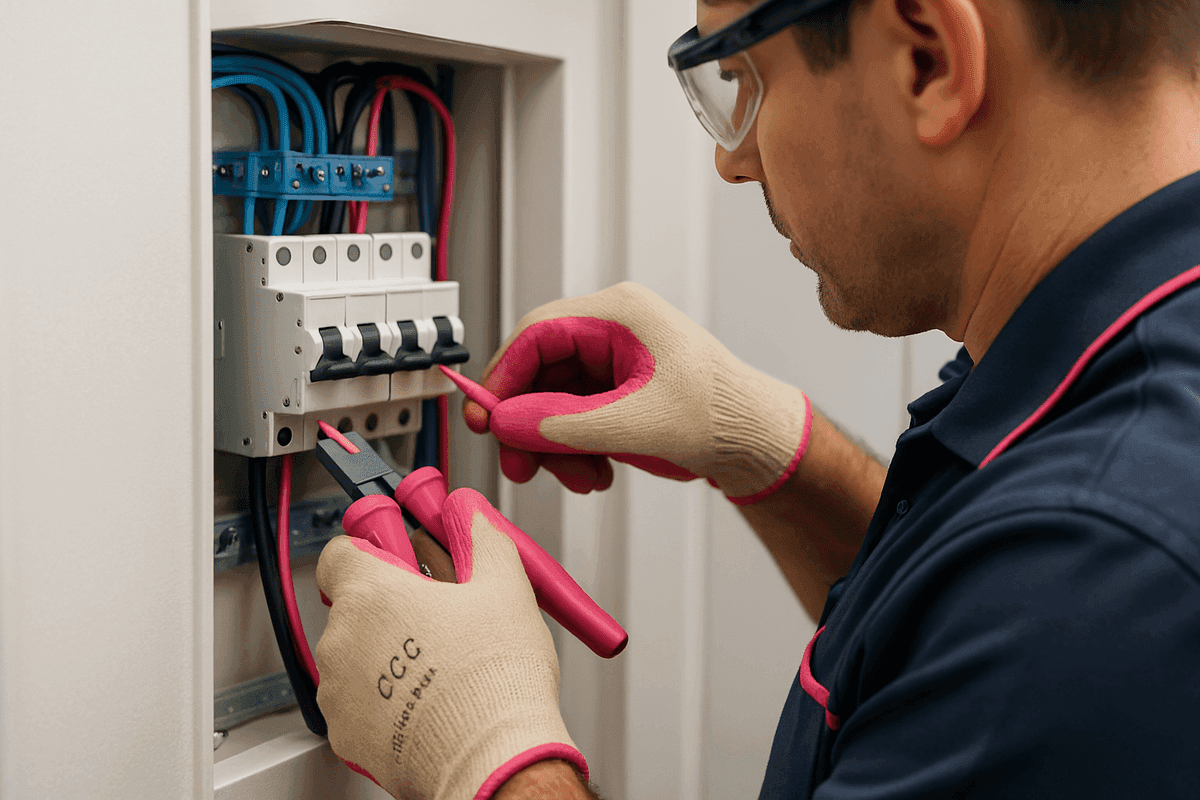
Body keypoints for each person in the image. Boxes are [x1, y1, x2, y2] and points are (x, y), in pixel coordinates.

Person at [313, 0, 1200, 796]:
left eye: (741, 77)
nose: (732, 161)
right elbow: (954, 623)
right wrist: (770, 449)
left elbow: (1022, 617)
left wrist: (493, 757)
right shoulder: (1116, 373)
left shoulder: (1094, 575)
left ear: (927, 56)